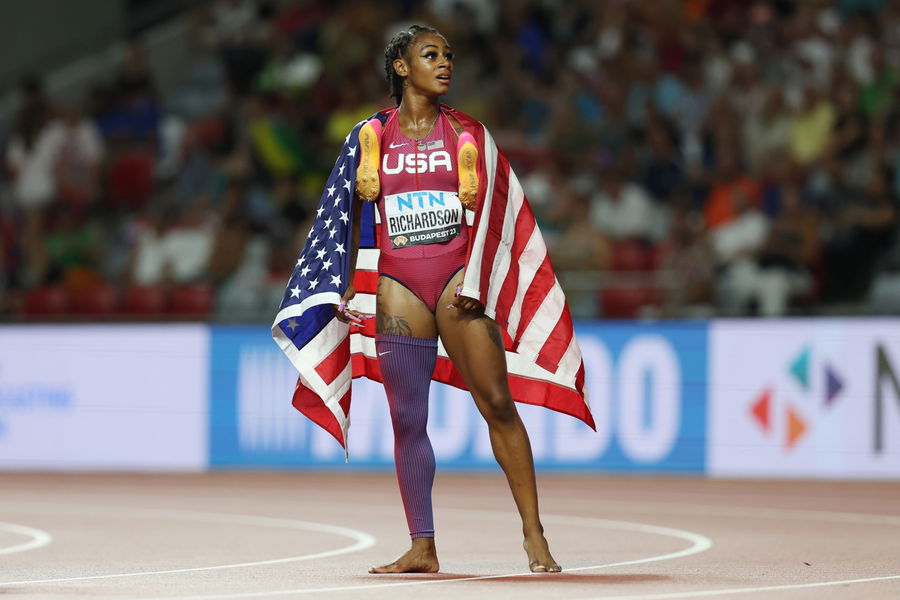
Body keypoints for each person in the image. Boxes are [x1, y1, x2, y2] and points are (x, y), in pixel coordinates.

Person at [272, 24, 593, 577]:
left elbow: (500, 215)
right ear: (401, 67)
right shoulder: (370, 136)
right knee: (407, 419)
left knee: (497, 403)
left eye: (448, 55)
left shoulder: (469, 133)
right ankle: (423, 545)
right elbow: (342, 213)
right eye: (430, 55)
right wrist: (345, 280)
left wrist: (480, 281)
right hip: (398, 286)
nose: (445, 63)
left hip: (456, 283)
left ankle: (534, 533)